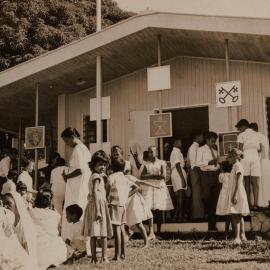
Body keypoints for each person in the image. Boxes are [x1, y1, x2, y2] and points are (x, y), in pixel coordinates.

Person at [61, 127, 92, 242]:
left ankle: (73, 238)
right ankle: (79, 239)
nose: (67, 144)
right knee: (79, 209)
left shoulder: (78, 149)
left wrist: (66, 176)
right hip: (79, 185)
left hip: (77, 187)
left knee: (74, 210)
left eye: (67, 141)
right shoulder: (84, 148)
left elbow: (80, 170)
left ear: (73, 137)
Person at [82, 150, 112, 263]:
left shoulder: (95, 175)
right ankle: (104, 257)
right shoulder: (96, 177)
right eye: (100, 164)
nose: (102, 167)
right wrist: (99, 210)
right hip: (97, 206)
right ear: (93, 165)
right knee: (102, 233)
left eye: (104, 165)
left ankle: (94, 258)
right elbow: (95, 192)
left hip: (94, 205)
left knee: (94, 234)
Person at [107, 158, 138, 261]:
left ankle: (117, 255)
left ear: (111, 167)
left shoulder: (111, 177)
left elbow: (108, 190)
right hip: (123, 204)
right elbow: (136, 187)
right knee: (122, 229)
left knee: (116, 230)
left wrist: (107, 201)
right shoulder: (125, 178)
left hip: (114, 204)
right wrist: (126, 196)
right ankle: (123, 253)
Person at [140, 146, 174, 236]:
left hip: (159, 187)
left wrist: (150, 175)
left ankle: (159, 231)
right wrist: (154, 176)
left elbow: (163, 176)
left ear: (157, 152)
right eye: (149, 152)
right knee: (149, 209)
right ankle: (151, 231)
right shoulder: (146, 164)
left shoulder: (162, 162)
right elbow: (142, 176)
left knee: (159, 209)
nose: (150, 153)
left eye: (152, 152)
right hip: (150, 187)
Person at [29, 191, 67, 269]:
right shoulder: (55, 214)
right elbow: (58, 228)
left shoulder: (31, 212)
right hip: (53, 246)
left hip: (37, 244)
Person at [2, 192, 38, 267]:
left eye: (9, 203)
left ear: (17, 205)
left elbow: (29, 253)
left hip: (23, 262)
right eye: (4, 204)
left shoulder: (26, 225)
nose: (5, 207)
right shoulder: (6, 222)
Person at [236, 119, 262, 210]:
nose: (239, 130)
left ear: (243, 126)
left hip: (245, 156)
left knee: (246, 181)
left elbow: (239, 150)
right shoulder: (257, 134)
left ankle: (248, 204)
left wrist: (238, 160)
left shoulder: (241, 135)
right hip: (255, 156)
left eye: (239, 128)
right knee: (255, 182)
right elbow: (260, 149)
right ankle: (255, 204)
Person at [196, 131, 220, 231]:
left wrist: (219, 164)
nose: (213, 143)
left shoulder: (215, 150)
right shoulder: (200, 150)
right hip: (206, 175)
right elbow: (198, 163)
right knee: (207, 198)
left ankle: (212, 225)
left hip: (215, 175)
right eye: (212, 141)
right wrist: (210, 162)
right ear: (207, 139)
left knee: (215, 200)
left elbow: (217, 163)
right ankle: (208, 216)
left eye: (215, 141)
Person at [227, 149, 249, 244]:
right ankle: (242, 235)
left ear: (236, 157)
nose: (228, 159)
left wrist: (235, 194)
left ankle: (237, 237)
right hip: (237, 191)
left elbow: (239, 180)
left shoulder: (237, 166)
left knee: (235, 215)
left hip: (237, 192)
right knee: (238, 215)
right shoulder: (235, 166)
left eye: (230, 157)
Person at [249, 122, 270, 207]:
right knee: (266, 183)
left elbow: (259, 149)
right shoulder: (264, 136)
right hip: (267, 162)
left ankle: (262, 203)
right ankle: (266, 202)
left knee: (259, 183)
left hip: (261, 162)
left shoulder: (257, 137)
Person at [187, 131, 205, 220]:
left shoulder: (197, 147)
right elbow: (193, 163)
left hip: (197, 171)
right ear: (197, 137)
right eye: (201, 136)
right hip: (195, 171)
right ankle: (196, 215)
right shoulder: (193, 148)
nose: (202, 138)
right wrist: (198, 174)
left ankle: (199, 214)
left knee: (198, 193)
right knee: (196, 193)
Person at [170, 139, 187, 222]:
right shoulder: (176, 151)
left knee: (179, 197)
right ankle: (180, 217)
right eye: (179, 141)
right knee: (180, 196)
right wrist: (182, 178)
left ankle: (176, 216)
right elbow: (177, 165)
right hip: (178, 173)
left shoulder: (176, 152)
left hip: (177, 173)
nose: (181, 143)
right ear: (175, 143)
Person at [216, 161, 233, 239]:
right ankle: (232, 232)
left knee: (228, 216)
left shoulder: (222, 175)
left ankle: (226, 233)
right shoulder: (232, 175)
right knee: (231, 216)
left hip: (224, 195)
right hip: (230, 195)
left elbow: (220, 182)